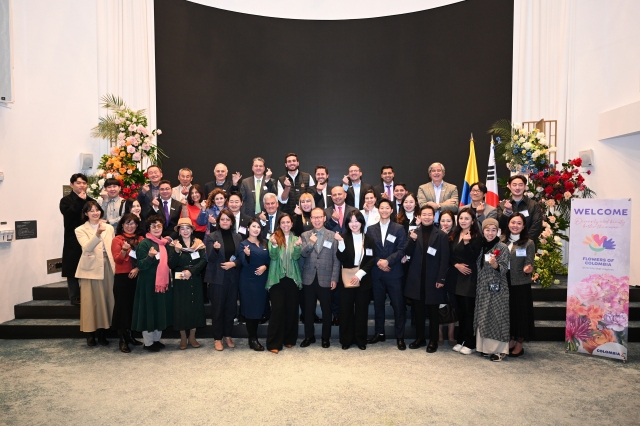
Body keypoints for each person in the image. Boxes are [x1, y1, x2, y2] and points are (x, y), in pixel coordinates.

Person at [404, 205, 450, 353]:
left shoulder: (441, 235)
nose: (427, 217)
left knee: (433, 313)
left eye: (430, 214)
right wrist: (411, 240)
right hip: (416, 280)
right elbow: (407, 253)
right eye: (424, 214)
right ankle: (420, 338)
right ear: (420, 216)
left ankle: (433, 341)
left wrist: (441, 279)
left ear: (434, 216)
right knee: (418, 312)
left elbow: (444, 259)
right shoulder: (413, 232)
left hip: (433, 280)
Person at [366, 199, 408, 350]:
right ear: (379, 210)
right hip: (377, 273)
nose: (384, 210)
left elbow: (402, 249)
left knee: (398, 306)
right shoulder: (370, 229)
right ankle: (379, 333)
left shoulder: (399, 229)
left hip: (394, 273)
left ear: (391, 210)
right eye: (381, 208)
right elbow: (368, 250)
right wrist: (378, 262)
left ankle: (400, 337)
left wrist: (387, 262)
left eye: (387, 208)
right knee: (378, 305)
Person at [75, 200, 115, 346]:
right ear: (86, 213)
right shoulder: (80, 229)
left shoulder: (109, 228)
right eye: (91, 210)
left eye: (97, 209)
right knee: (90, 302)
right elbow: (87, 247)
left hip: (108, 267)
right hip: (90, 269)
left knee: (106, 299)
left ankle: (103, 333)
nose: (95, 212)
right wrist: (97, 233)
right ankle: (90, 334)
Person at [299, 208, 340, 348]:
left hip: (326, 278)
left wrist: (334, 278)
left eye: (319, 217)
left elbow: (336, 259)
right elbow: (303, 254)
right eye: (314, 217)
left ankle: (325, 337)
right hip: (309, 278)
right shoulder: (305, 235)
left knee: (326, 310)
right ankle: (309, 337)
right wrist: (310, 243)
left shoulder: (333, 235)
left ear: (324, 218)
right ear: (310, 219)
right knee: (308, 310)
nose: (316, 220)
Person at [131, 215, 173, 352]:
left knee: (159, 310)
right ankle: (148, 343)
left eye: (159, 226)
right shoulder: (144, 243)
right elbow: (141, 265)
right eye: (153, 226)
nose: (156, 228)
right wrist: (149, 257)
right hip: (148, 284)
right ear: (148, 228)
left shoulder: (163, 243)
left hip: (162, 283)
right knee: (149, 311)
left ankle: (156, 339)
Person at [335, 210, 376, 350]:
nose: (354, 224)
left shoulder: (369, 239)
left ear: (362, 222)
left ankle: (360, 340)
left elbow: (371, 259)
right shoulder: (343, 237)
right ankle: (346, 340)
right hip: (347, 278)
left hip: (363, 279)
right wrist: (340, 243)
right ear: (347, 223)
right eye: (351, 221)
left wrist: (359, 274)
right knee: (345, 310)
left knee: (361, 311)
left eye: (356, 220)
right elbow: (341, 258)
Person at [204, 209, 242, 351]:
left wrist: (234, 264)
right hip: (217, 278)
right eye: (222, 219)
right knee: (218, 309)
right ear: (219, 222)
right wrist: (215, 250)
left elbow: (241, 257)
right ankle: (217, 338)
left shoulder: (238, 236)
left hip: (233, 278)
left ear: (232, 221)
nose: (225, 221)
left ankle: (228, 335)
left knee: (231, 309)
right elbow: (210, 258)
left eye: (228, 219)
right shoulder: (212, 236)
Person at [265, 214, 303, 353]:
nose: (286, 224)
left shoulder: (296, 239)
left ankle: (289, 339)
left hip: (292, 278)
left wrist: (298, 247)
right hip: (277, 278)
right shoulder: (274, 237)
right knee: (277, 309)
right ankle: (274, 343)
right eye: (283, 222)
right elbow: (273, 256)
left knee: (291, 310)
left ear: (292, 224)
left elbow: (295, 257)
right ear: (279, 224)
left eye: (288, 222)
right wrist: (274, 245)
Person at [474, 218, 510, 362]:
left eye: (493, 230)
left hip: (497, 289)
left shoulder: (502, 247)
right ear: (483, 231)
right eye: (487, 230)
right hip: (482, 288)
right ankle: (485, 349)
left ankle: (501, 351)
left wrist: (495, 265)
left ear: (498, 232)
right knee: (483, 317)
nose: (490, 233)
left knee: (497, 318)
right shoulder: (480, 246)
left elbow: (504, 269)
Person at [447, 208, 482, 355]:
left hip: (468, 277)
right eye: (461, 218)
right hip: (455, 277)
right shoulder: (454, 234)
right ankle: (461, 340)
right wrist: (456, 265)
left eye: (467, 218)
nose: (463, 221)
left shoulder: (476, 236)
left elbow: (474, 257)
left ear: (472, 221)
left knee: (468, 312)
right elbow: (448, 254)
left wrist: (467, 243)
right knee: (460, 311)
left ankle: (470, 342)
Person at [169, 218, 207, 350]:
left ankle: (192, 336)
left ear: (192, 230)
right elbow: (171, 264)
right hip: (179, 276)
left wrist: (191, 271)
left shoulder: (198, 244)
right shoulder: (174, 245)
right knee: (181, 306)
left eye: (188, 228)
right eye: (182, 228)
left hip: (194, 276)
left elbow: (203, 261)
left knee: (195, 305)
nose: (185, 231)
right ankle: (183, 337)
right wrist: (177, 252)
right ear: (179, 231)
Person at [501, 213, 535, 358]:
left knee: (520, 313)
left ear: (523, 226)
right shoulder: (502, 240)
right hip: (504, 281)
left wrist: (529, 268)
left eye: (519, 223)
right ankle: (511, 339)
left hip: (520, 283)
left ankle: (519, 343)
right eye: (513, 222)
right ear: (508, 224)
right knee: (509, 313)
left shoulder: (528, 243)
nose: (515, 225)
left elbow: (529, 262)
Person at [111, 213, 144, 353]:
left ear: (137, 225)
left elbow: (145, 258)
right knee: (122, 307)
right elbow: (118, 260)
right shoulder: (117, 240)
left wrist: (137, 268)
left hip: (137, 276)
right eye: (127, 223)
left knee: (132, 307)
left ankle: (130, 335)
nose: (130, 226)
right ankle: (122, 339)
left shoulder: (141, 239)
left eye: (133, 223)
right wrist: (124, 250)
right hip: (122, 277)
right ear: (122, 225)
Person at [238, 218, 270, 351]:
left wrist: (265, 267)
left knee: (260, 309)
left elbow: (270, 259)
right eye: (253, 226)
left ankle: (256, 337)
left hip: (263, 282)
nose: (256, 229)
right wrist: (247, 255)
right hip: (249, 282)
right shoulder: (243, 244)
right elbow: (244, 264)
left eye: (258, 227)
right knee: (251, 311)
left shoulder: (264, 243)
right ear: (248, 228)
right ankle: (253, 339)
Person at [60, 173, 93, 305]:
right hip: (72, 239)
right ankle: (74, 297)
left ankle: (88, 295)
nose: (82, 185)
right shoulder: (65, 201)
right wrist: (79, 200)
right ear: (72, 185)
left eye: (84, 183)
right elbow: (69, 214)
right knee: (72, 268)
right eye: (78, 183)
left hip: (89, 238)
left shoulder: (91, 200)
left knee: (88, 265)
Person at [497, 175, 543, 246]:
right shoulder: (502, 205)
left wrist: (524, 242)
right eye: (514, 185)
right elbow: (501, 225)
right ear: (509, 186)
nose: (517, 188)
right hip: (507, 244)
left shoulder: (534, 205)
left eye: (520, 185)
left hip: (528, 245)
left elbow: (537, 226)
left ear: (525, 186)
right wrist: (507, 212)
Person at [437, 209, 457, 345]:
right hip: (437, 274)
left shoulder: (457, 236)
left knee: (451, 305)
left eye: (448, 221)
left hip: (452, 274)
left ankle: (450, 335)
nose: (445, 223)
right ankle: (439, 335)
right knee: (438, 304)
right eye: (443, 220)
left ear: (453, 223)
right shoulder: (435, 235)